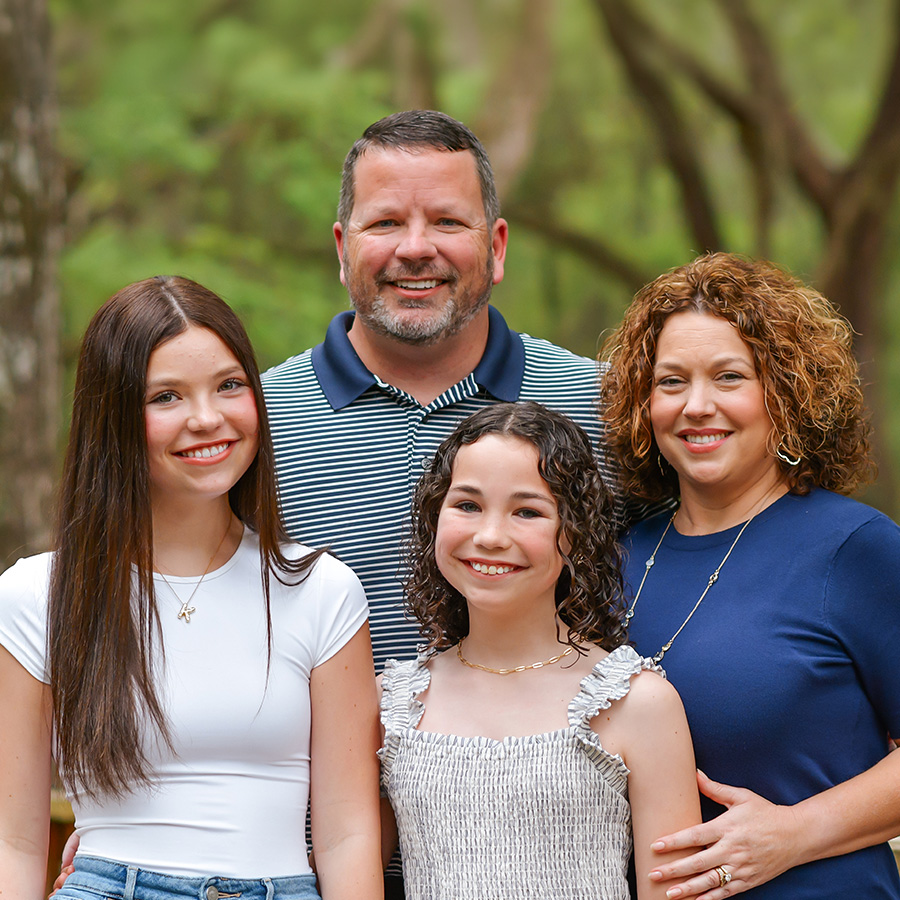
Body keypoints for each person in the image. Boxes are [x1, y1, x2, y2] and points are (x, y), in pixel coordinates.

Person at [2, 277, 382, 899]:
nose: (207, 419)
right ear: (112, 418)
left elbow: (347, 835)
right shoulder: (37, 596)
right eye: (166, 396)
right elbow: (14, 842)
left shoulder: (320, 590)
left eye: (229, 385)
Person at [600, 252, 900, 899]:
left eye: (729, 377)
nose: (696, 406)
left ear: (785, 394)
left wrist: (796, 832)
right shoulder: (615, 556)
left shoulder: (855, 548)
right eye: (671, 382)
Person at [378, 401, 701, 899]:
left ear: (574, 532)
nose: (489, 536)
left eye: (527, 512)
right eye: (467, 505)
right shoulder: (393, 703)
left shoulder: (636, 702)